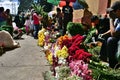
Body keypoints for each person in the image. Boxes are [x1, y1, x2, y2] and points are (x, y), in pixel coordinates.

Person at [99, 1, 120, 68]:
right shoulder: (117, 19)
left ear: (118, 11)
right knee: (106, 37)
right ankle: (103, 57)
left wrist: (111, 19)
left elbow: (113, 33)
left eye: (113, 11)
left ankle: (113, 65)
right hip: (118, 36)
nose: (111, 13)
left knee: (111, 40)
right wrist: (103, 34)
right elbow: (113, 29)